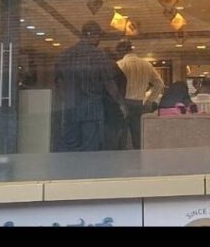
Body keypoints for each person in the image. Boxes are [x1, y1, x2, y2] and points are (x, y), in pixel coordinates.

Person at [51, 22, 126, 152]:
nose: (99, 39)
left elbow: (57, 82)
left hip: (70, 108)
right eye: (98, 36)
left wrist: (65, 97)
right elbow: (109, 83)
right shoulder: (99, 55)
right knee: (90, 150)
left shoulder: (65, 55)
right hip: (92, 109)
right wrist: (121, 104)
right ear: (91, 35)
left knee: (70, 147)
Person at [115, 40, 164, 150]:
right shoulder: (146, 64)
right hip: (139, 104)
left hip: (123, 104)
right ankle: (140, 158)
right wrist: (149, 100)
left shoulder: (120, 64)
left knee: (122, 137)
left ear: (120, 51)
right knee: (138, 137)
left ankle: (121, 158)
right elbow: (159, 84)